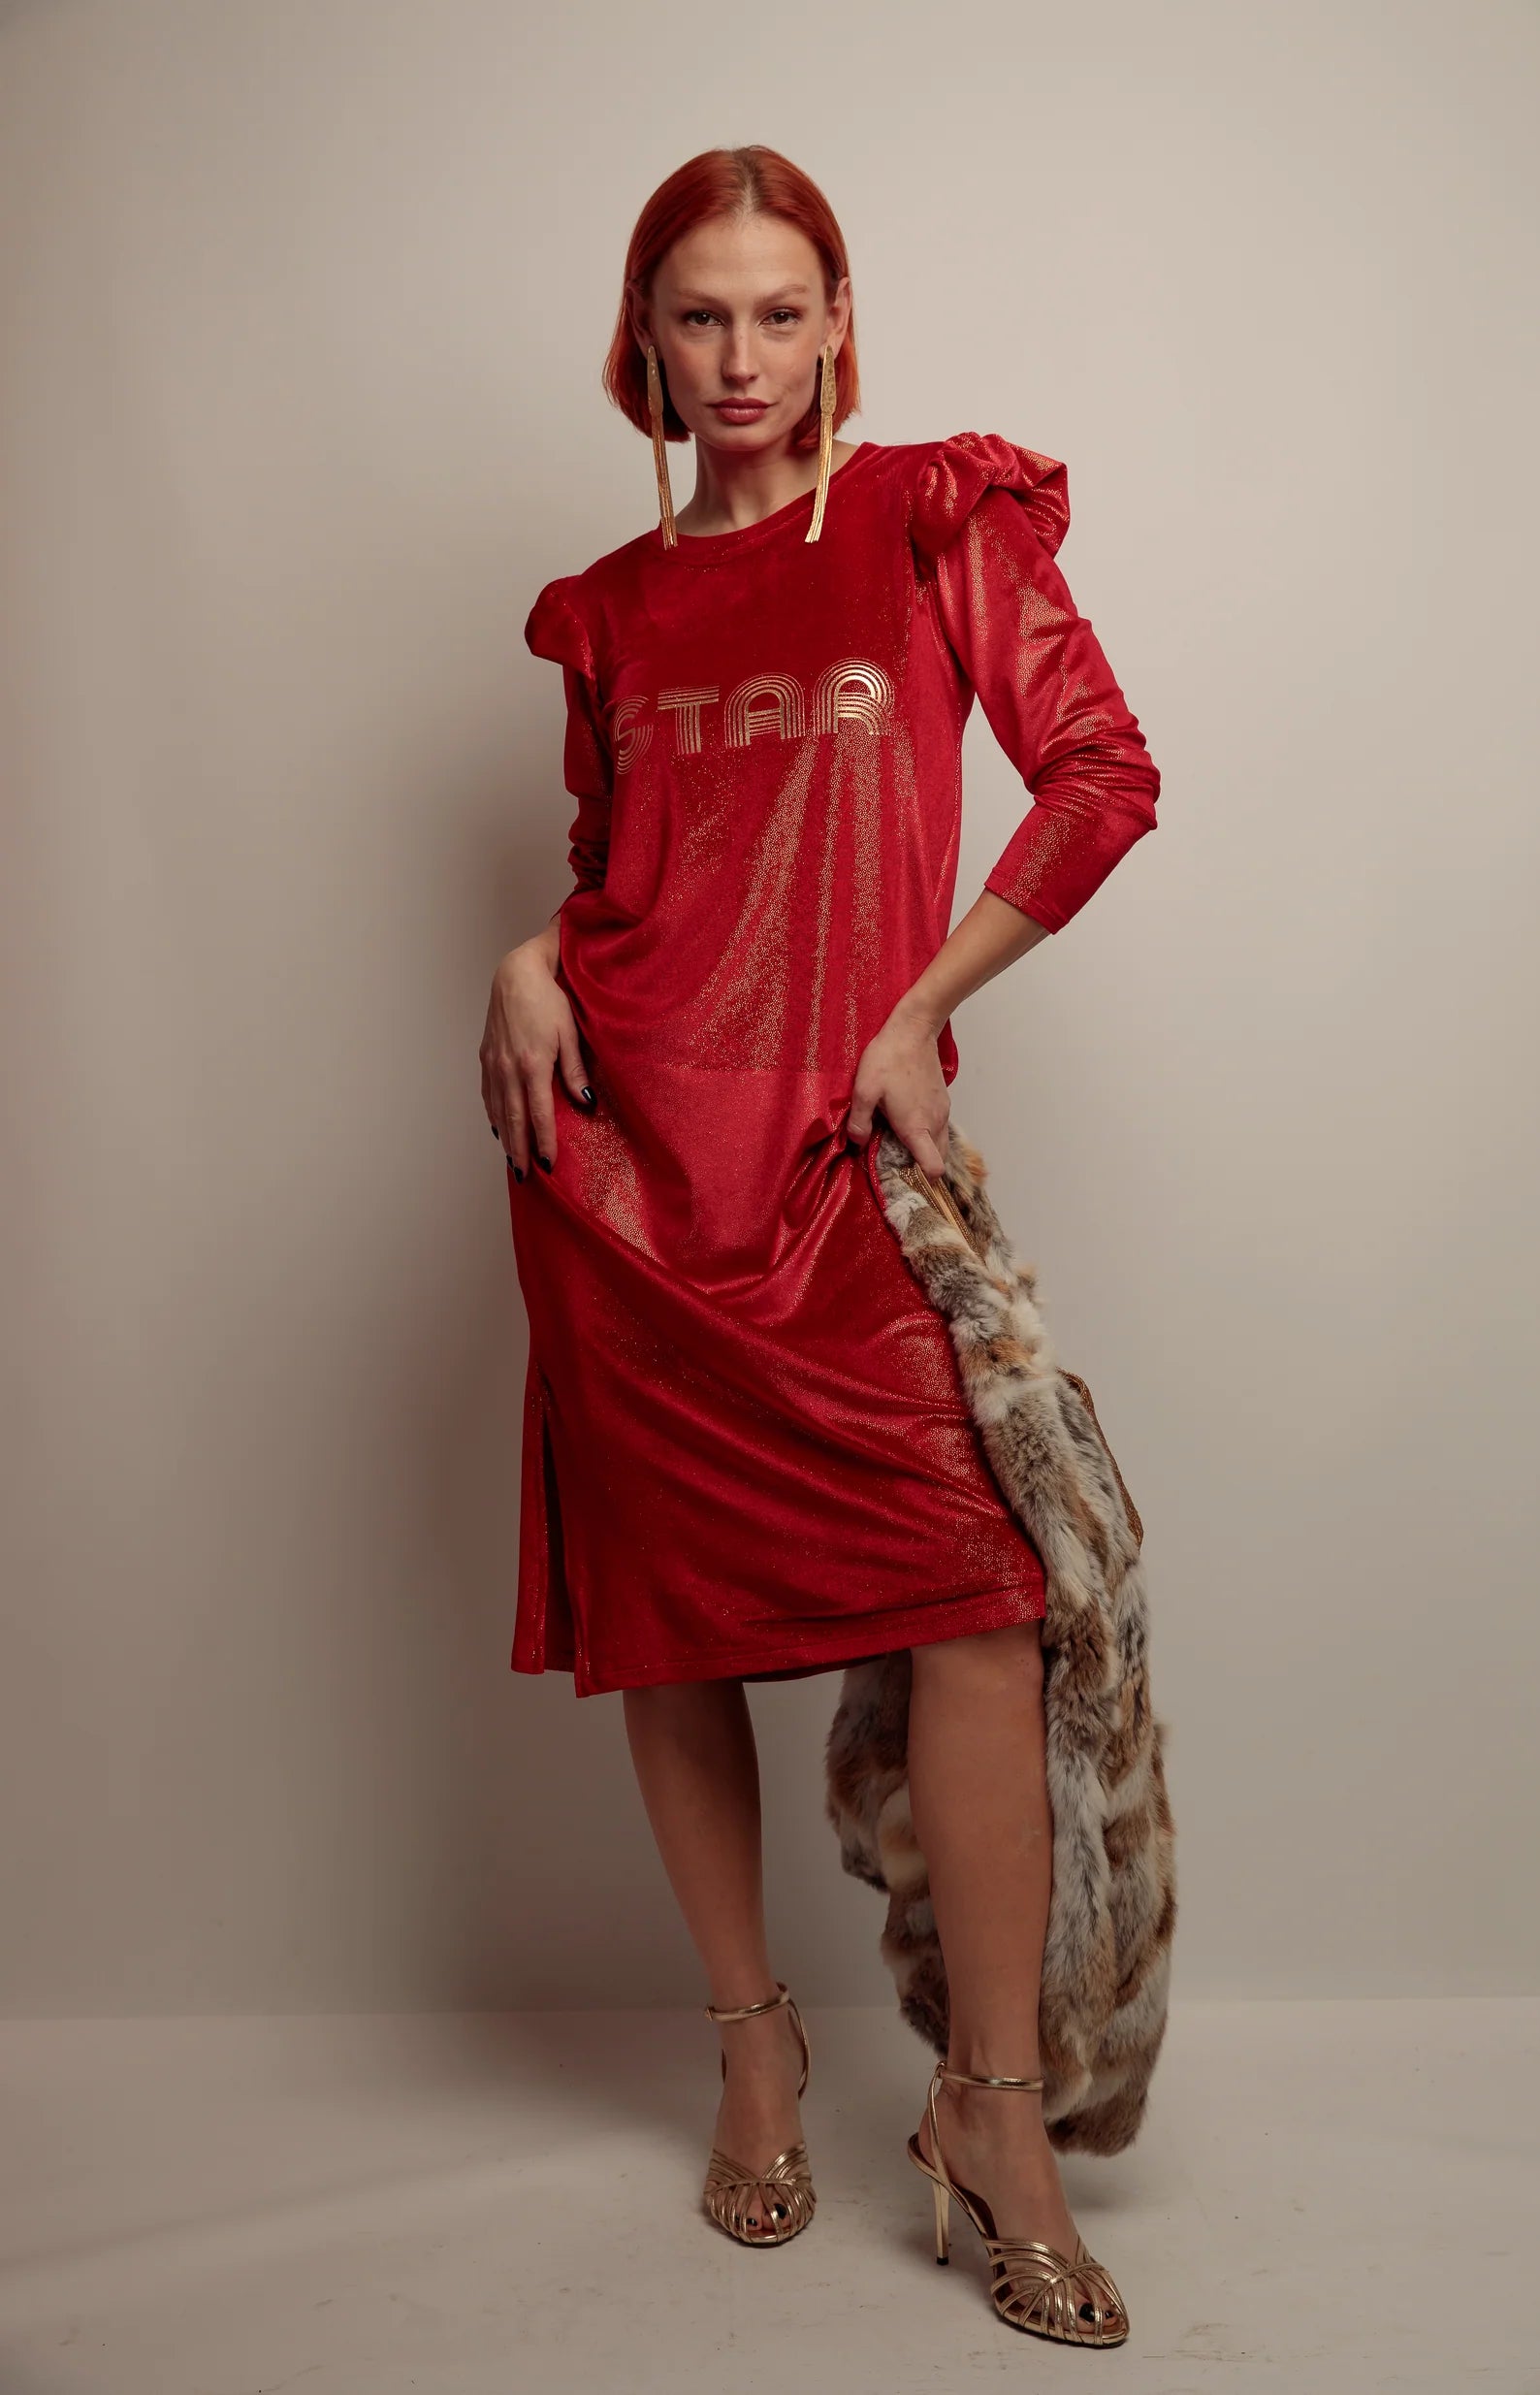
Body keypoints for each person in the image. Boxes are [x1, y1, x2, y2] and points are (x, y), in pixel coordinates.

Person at [479, 145, 1160, 2349]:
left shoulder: (930, 522)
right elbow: (634, 871)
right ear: (644, 338)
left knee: (978, 1602)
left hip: (841, 1164)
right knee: (672, 1626)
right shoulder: (607, 609)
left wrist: (912, 1009)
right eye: (700, 314)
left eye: (781, 311)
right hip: (620, 1179)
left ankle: (993, 2108)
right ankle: (753, 2042)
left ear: (839, 320)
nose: (743, 355)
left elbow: (1099, 774)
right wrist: (528, 954)